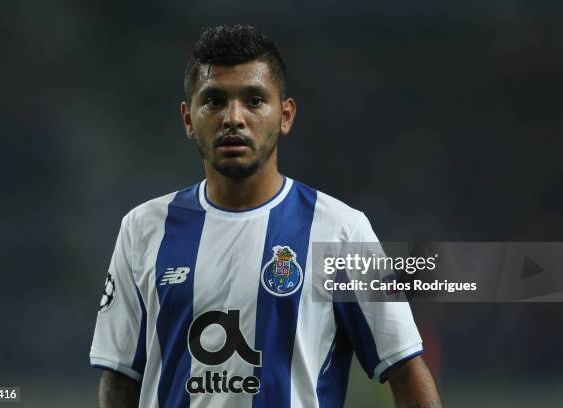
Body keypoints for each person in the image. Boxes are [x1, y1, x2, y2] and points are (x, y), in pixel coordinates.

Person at [90, 24, 441, 408]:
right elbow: (120, 378)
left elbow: (405, 370)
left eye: (254, 100)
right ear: (189, 119)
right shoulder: (142, 229)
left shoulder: (340, 231)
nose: (234, 118)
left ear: (285, 116)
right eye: (214, 101)